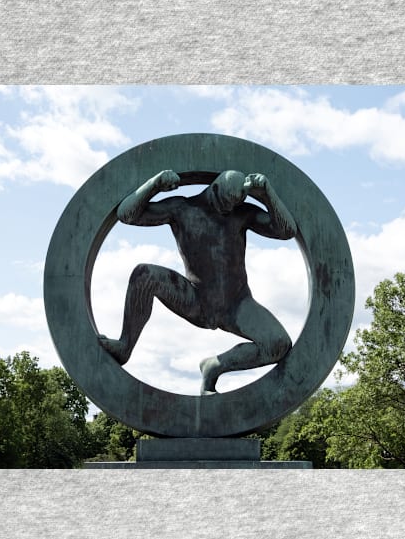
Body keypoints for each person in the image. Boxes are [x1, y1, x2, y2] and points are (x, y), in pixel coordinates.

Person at [100, 169, 297, 395]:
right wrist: (154, 184)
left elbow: (286, 231)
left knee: (278, 343)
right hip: (196, 298)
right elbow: (127, 215)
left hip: (237, 304)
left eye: (235, 203)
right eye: (226, 202)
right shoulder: (181, 209)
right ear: (214, 189)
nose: (229, 209)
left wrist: (268, 193)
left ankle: (214, 367)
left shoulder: (241, 213)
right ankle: (125, 345)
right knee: (144, 275)